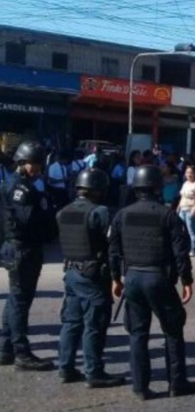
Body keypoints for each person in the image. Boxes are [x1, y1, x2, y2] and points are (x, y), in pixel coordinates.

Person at [108, 165, 195, 400]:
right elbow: (181, 251)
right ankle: (176, 383)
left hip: (133, 278)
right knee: (173, 330)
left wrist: (115, 279)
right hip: (158, 277)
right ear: (158, 187)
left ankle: (140, 387)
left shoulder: (122, 214)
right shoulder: (167, 215)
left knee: (138, 333)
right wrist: (187, 280)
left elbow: (114, 251)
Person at [57, 168, 125, 387]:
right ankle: (94, 372)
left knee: (71, 323)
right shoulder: (100, 212)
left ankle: (66, 368)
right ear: (96, 190)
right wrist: (117, 275)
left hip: (70, 273)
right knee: (94, 324)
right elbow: (112, 247)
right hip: (92, 274)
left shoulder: (63, 212)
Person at [0, 141, 57, 370]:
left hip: (17, 247)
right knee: (20, 301)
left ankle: (6, 348)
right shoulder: (21, 188)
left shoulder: (15, 184)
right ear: (23, 163)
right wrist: (46, 211)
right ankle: (21, 352)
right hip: (23, 248)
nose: (38, 170)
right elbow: (29, 220)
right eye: (35, 165)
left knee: (15, 299)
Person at [177, 165, 195, 256]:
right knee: (181, 230)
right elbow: (182, 197)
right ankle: (184, 248)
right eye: (187, 172)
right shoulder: (185, 183)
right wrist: (178, 208)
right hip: (182, 209)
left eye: (191, 172)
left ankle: (194, 249)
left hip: (190, 209)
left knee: (192, 230)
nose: (189, 174)